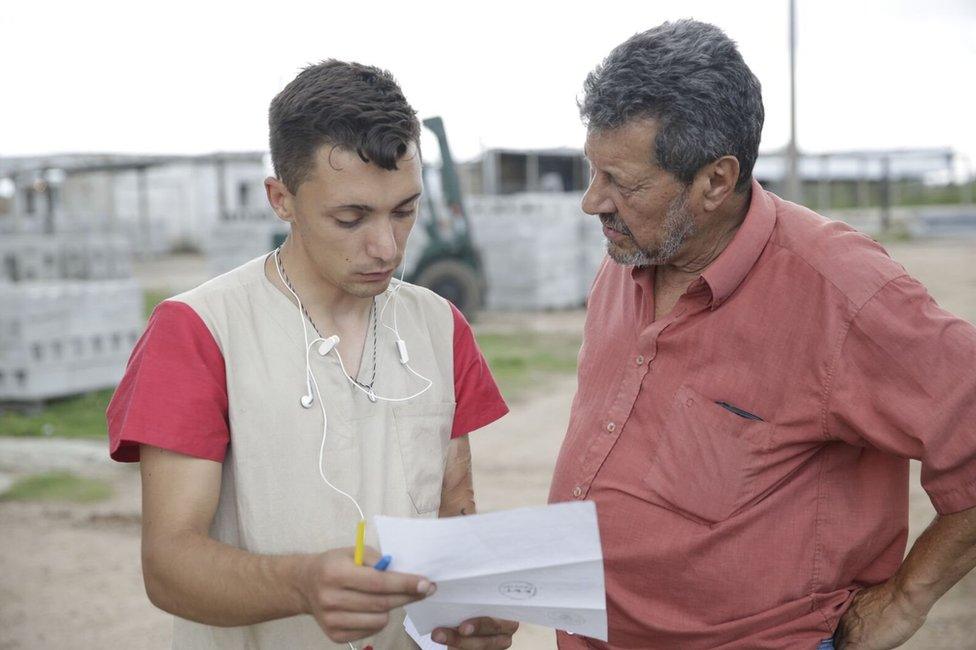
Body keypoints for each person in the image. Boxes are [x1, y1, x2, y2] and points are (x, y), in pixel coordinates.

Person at [548, 20, 976, 650]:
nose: (593, 202)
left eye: (623, 183)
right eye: (594, 172)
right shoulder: (632, 255)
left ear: (716, 182)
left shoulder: (842, 292)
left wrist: (904, 601)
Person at [107, 60, 518, 649]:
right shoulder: (198, 330)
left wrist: (473, 615)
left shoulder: (439, 326)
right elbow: (168, 566)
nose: (387, 247)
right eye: (351, 217)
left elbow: (455, 512)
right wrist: (301, 585)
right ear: (282, 199)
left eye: (404, 210)